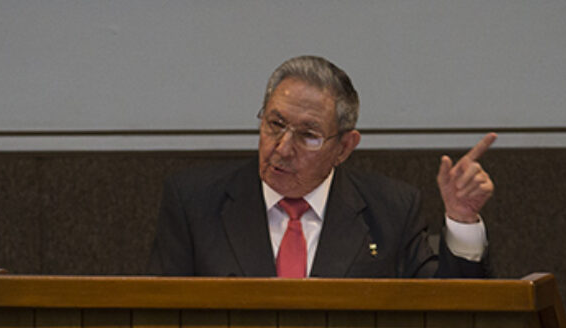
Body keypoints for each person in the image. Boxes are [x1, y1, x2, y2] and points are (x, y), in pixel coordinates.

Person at [147, 55, 496, 278]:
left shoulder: (390, 210)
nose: (282, 148)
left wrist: (462, 221)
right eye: (274, 124)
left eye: (308, 135)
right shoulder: (195, 202)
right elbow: (159, 318)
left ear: (344, 147)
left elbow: (445, 312)